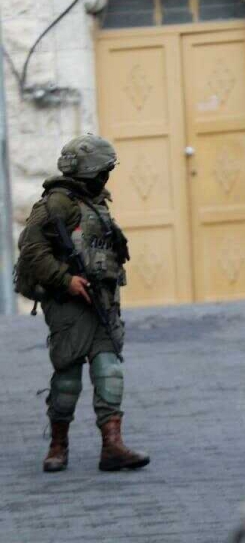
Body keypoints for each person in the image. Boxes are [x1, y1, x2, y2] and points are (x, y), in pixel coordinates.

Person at [16, 134, 149, 472]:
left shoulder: (95, 201)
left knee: (109, 370)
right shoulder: (57, 203)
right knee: (68, 376)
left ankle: (112, 445)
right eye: (103, 171)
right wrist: (66, 281)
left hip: (101, 299)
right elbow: (32, 250)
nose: (106, 176)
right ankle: (58, 445)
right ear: (91, 171)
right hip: (68, 303)